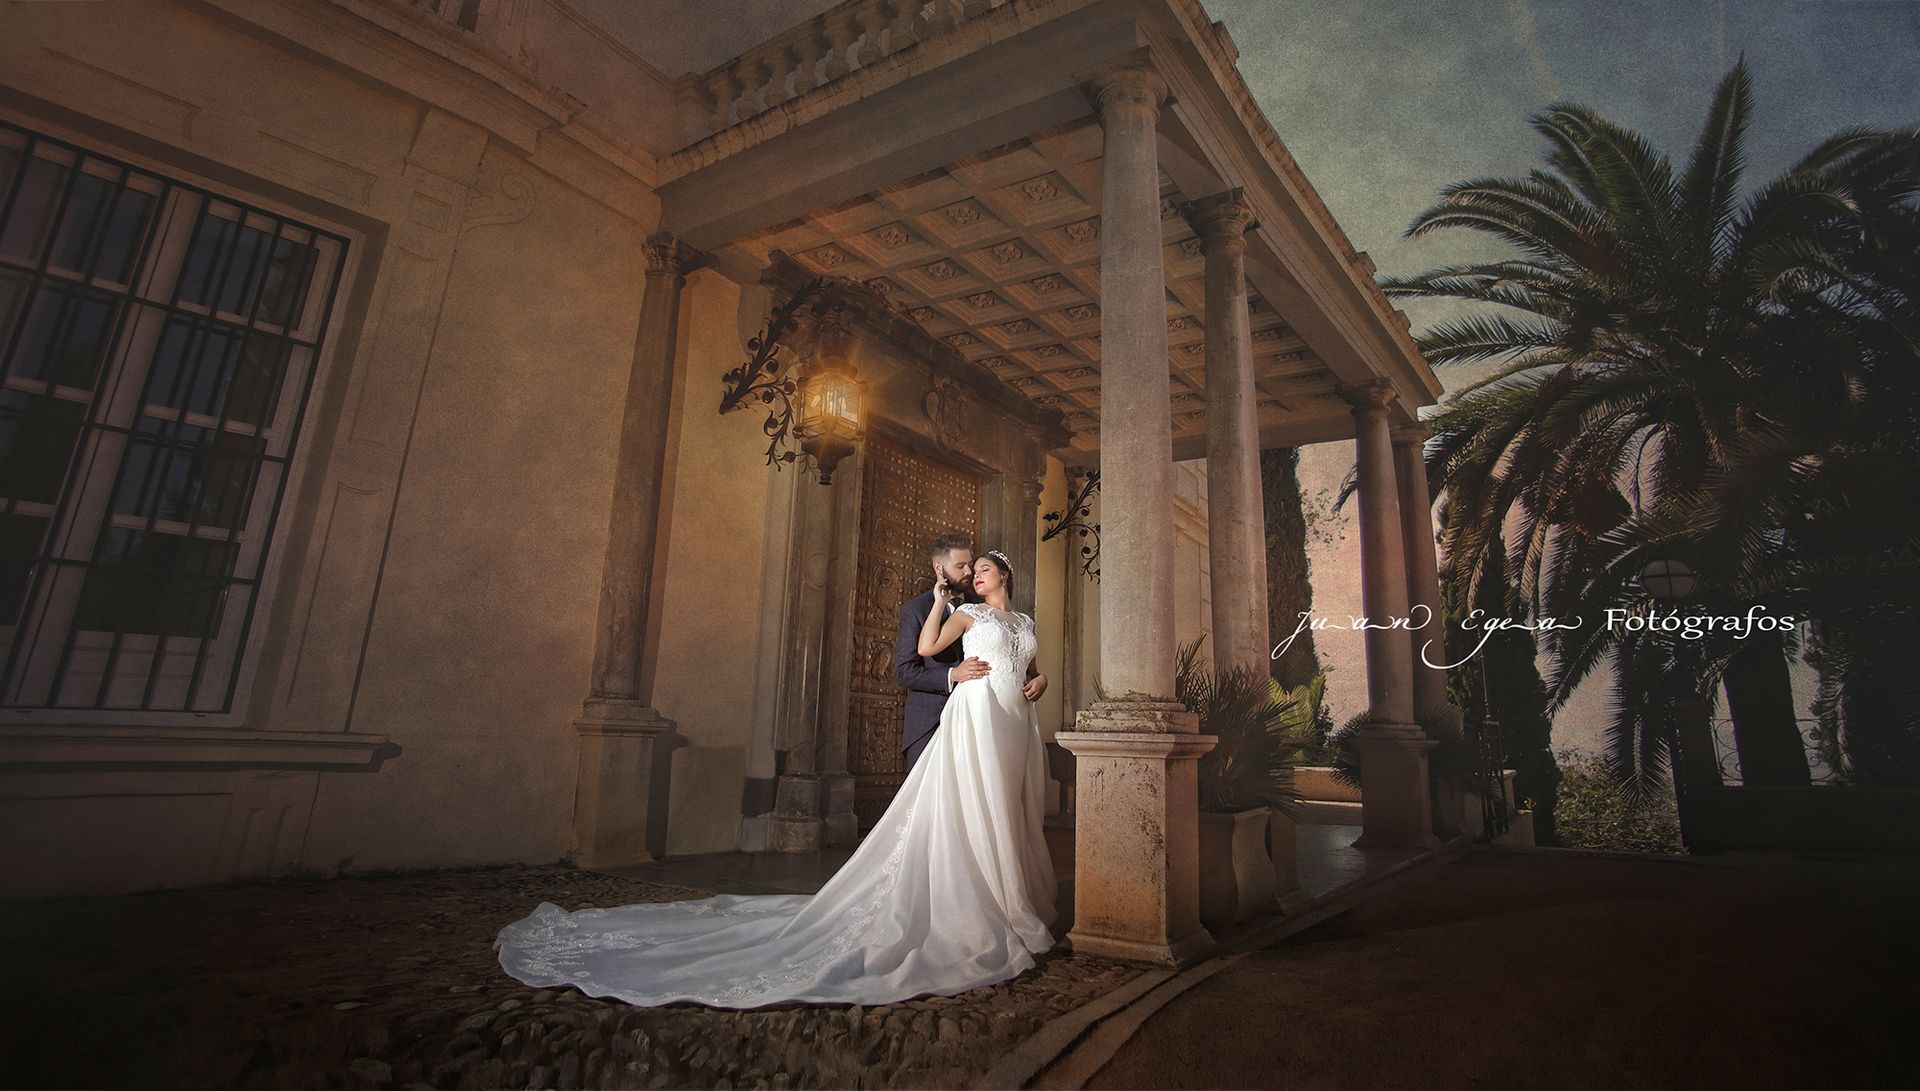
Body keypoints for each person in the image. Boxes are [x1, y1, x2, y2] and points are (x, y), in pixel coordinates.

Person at [493, 549, 1058, 1008]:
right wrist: (942, 619)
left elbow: (1028, 668)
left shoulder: (1023, 620)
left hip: (1015, 722)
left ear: (1002, 575)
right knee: (971, 807)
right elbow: (923, 653)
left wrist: (1042, 681)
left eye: (980, 569)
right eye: (969, 568)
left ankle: (1012, 895)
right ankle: (980, 905)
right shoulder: (964, 612)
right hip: (976, 715)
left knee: (1007, 806)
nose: (972, 576)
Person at [893, 532, 991, 772]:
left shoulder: (983, 606)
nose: (969, 572)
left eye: (970, 564)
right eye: (960, 566)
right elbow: (904, 672)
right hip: (929, 722)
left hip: (975, 720)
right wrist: (952, 675)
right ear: (939, 567)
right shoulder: (915, 610)